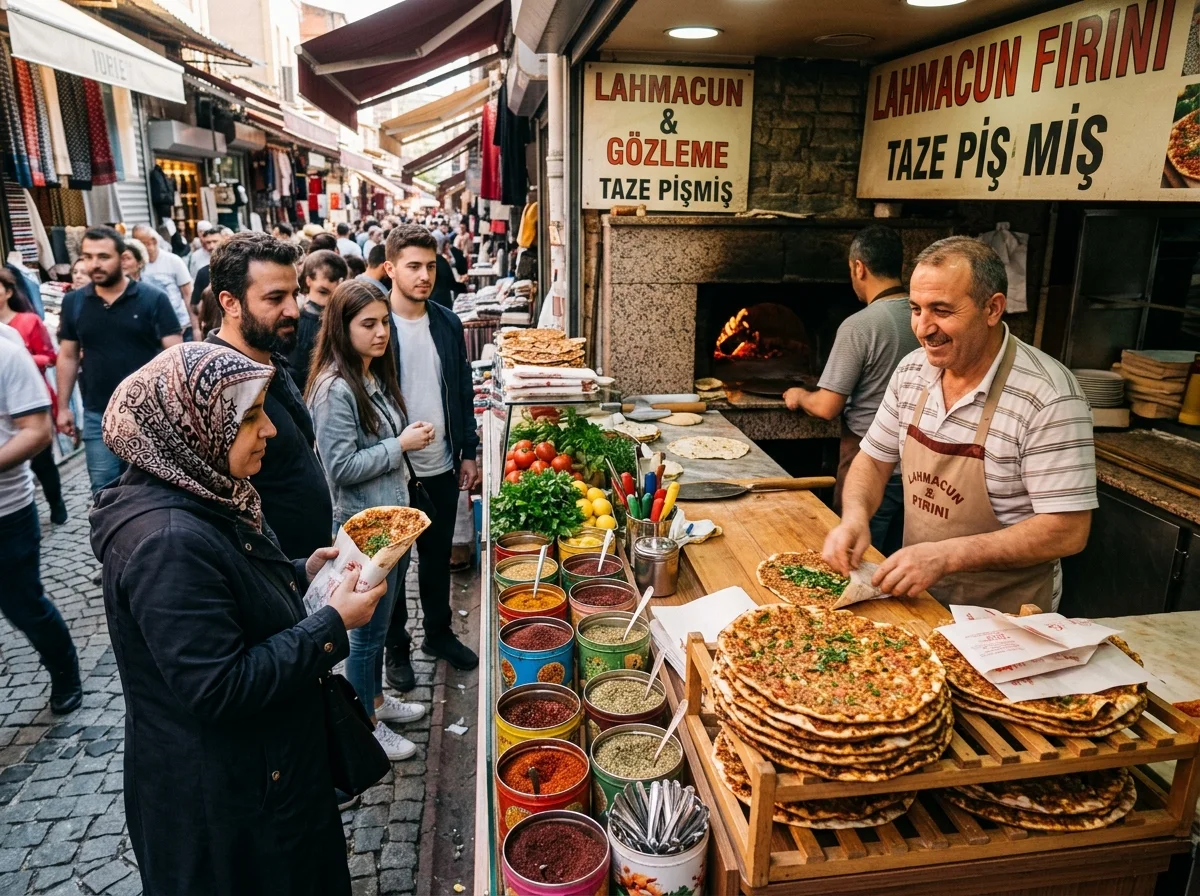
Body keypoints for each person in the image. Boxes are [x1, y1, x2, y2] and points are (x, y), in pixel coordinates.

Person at [90, 341, 388, 896]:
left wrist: (301, 573)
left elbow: (229, 596)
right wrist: (331, 624)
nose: (269, 430)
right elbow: (219, 686)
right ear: (191, 427)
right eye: (250, 417)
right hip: (232, 803)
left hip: (261, 774)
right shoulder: (168, 542)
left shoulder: (203, 494)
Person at [822, 236, 1096, 613]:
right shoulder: (911, 371)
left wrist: (946, 556)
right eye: (916, 309)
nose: (922, 328)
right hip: (922, 598)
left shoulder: (1049, 397)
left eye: (941, 310)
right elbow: (872, 459)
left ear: (992, 308)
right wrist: (855, 517)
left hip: (1007, 610)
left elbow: (1068, 529)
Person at [305, 282, 430, 760]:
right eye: (368, 324)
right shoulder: (334, 388)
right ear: (343, 327)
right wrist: (400, 445)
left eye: (384, 323)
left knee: (378, 628)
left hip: (390, 528)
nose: (381, 333)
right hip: (364, 534)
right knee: (363, 635)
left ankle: (375, 700)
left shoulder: (369, 373)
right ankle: (366, 727)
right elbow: (340, 467)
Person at [383, 225, 480, 687]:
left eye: (430, 266)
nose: (424, 275)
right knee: (392, 565)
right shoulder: (375, 323)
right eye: (413, 266)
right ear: (390, 268)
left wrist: (468, 451)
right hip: (391, 468)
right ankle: (395, 648)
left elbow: (462, 387)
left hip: (440, 463)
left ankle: (438, 634)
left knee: (437, 557)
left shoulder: (446, 321)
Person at [784, 225, 917, 555]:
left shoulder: (861, 325)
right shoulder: (924, 318)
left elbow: (827, 406)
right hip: (919, 470)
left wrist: (800, 395)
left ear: (859, 267)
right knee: (898, 561)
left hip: (869, 469)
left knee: (856, 558)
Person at [207, 232, 335, 561]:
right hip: (273, 572)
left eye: (295, 294)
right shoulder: (216, 386)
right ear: (230, 303)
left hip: (306, 565)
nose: (293, 310)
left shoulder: (271, 356)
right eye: (275, 298)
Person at [57, 227, 184, 494]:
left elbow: (175, 355)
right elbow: (68, 355)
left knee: (153, 489)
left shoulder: (153, 298)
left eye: (103, 256)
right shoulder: (74, 303)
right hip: (98, 413)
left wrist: (176, 409)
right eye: (88, 257)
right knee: (103, 490)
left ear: (122, 257)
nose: (94, 264)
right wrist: (63, 406)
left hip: (148, 413)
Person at [0, 336, 81, 714]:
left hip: (6, 514)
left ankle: (64, 669)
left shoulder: (7, 354)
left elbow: (37, 431)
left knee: (24, 606)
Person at [0, 268, 66, 524]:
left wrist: (25, 359)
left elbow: (50, 356)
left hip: (32, 396)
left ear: (8, 292)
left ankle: (56, 502)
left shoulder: (28, 321)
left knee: (42, 460)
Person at [288, 250, 347, 392]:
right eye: (323, 292)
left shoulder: (344, 323)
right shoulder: (293, 322)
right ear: (308, 280)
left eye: (334, 294)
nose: (327, 301)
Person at [132, 224, 200, 340]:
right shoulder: (137, 265)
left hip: (181, 325)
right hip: (152, 329)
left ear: (152, 241)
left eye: (140, 243)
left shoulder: (173, 261)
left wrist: (196, 328)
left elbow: (188, 295)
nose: (137, 248)